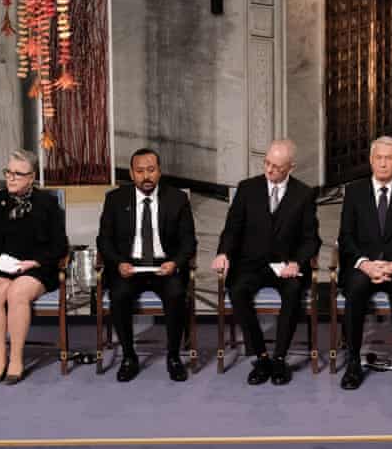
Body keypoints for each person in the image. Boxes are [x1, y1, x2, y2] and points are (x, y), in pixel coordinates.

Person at [212, 139, 321, 386]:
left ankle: (280, 358)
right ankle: (261, 357)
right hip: (250, 264)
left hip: (285, 266)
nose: (270, 170)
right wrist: (223, 253)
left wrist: (298, 263)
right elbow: (232, 230)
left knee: (294, 291)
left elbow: (311, 239)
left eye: (277, 167)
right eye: (267, 163)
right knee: (237, 289)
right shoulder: (247, 188)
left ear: (290, 168)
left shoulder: (303, 195)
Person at [97, 148, 197, 382]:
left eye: (151, 170)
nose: (146, 176)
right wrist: (119, 262)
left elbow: (189, 241)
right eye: (140, 171)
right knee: (119, 295)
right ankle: (129, 357)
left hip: (165, 266)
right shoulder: (115, 199)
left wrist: (175, 262)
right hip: (129, 267)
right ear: (132, 174)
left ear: (159, 171)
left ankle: (173, 357)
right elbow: (104, 240)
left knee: (176, 293)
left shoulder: (177, 199)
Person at [338, 136, 392, 390]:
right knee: (355, 289)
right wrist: (365, 264)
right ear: (370, 160)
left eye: (389, 158)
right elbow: (345, 236)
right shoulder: (354, 192)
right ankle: (353, 361)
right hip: (364, 266)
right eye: (379, 158)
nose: (383, 163)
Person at [0, 149, 68, 384]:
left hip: (37, 267)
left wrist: (35, 262)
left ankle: (16, 359)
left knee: (18, 292)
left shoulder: (48, 203)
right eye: (8, 172)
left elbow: (60, 245)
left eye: (18, 173)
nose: (11, 178)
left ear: (32, 177)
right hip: (2, 266)